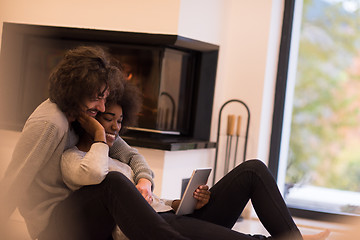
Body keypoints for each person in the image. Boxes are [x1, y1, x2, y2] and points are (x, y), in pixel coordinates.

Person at [59, 79, 330, 240]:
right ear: (89, 118)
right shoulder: (75, 160)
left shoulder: (118, 153)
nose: (116, 128)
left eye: (120, 121)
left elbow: (146, 191)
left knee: (254, 170)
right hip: (154, 231)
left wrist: (180, 202)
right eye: (108, 119)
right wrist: (95, 132)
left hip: (170, 216)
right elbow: (97, 175)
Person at [0, 46, 155, 240]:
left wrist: (145, 181)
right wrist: (99, 132)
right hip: (53, 223)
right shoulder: (50, 123)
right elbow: (15, 181)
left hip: (82, 208)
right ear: (75, 90)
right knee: (112, 183)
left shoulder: (83, 116)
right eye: (96, 98)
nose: (102, 107)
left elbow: (130, 155)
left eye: (104, 98)